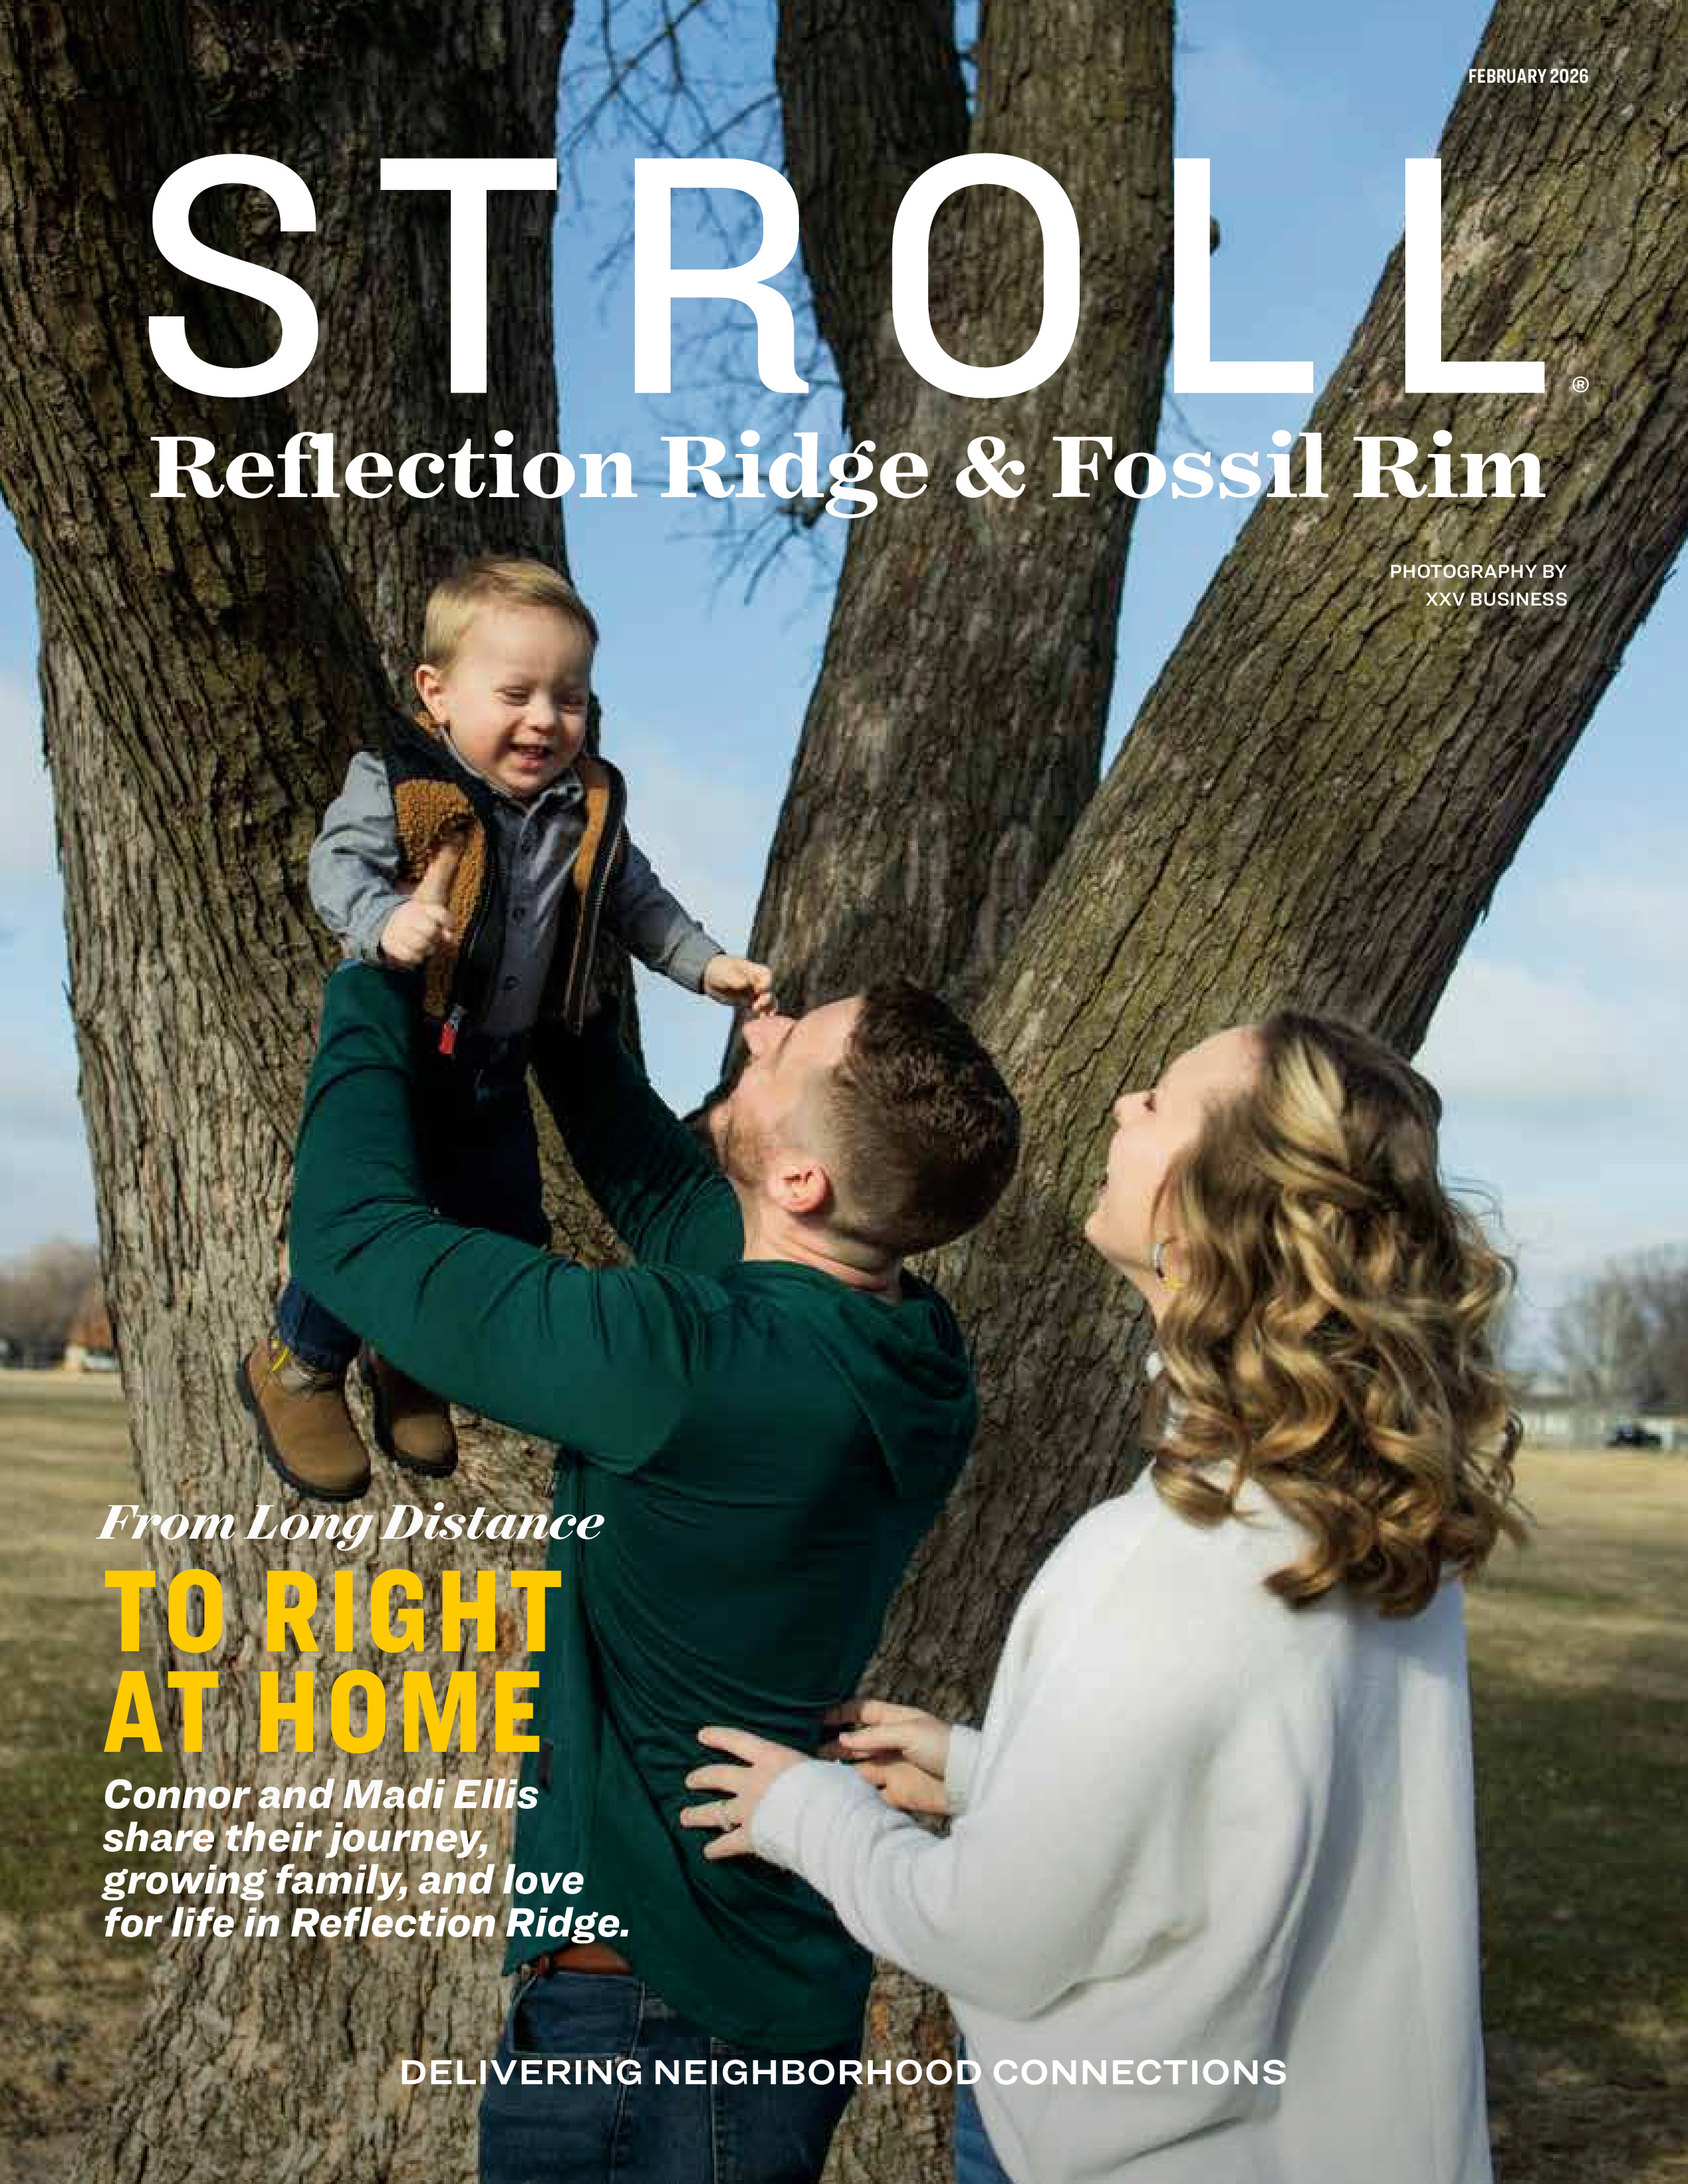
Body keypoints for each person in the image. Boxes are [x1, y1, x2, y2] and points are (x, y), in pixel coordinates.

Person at [682, 1012, 1523, 2184]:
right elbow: (1252, 1812)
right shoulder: (1361, 1511)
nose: (1124, 1105)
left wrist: (801, 1813)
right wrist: (994, 1775)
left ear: (1197, 1213)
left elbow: (993, 1938)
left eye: (1161, 1104)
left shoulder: (1173, 1555)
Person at [282, 955, 1021, 2183]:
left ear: (804, 1178)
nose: (762, 1028)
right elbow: (665, 1187)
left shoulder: (690, 1364)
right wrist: (553, 975)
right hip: (747, 1984)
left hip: (649, 2031)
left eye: (787, 1048)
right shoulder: (909, 1348)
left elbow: (353, 1239)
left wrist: (376, 982)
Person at [239, 555, 772, 1502]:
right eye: (516, 693)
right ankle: (298, 1364)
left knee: (501, 1218)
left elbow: (637, 904)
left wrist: (704, 964)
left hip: (499, 1058)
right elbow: (337, 868)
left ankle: (411, 1357)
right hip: (411, 1039)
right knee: (372, 1207)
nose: (545, 721)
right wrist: (386, 922)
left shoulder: (587, 806)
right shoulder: (402, 781)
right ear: (436, 695)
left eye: (570, 699)